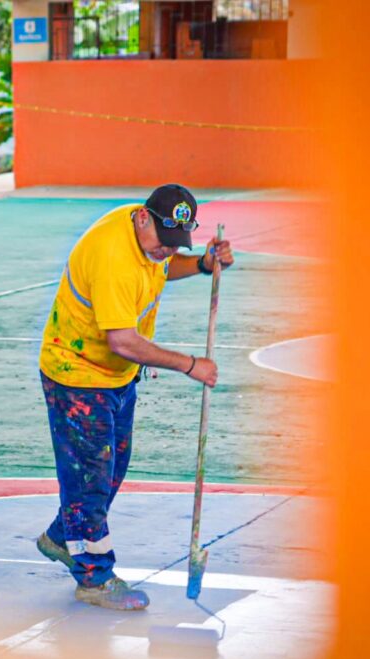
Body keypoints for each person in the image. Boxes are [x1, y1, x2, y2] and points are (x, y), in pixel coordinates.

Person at [35, 184, 234, 610]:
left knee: (111, 469)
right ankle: (94, 578)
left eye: (177, 243)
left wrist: (202, 264)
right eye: (164, 241)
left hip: (116, 377)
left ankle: (62, 537)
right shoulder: (114, 257)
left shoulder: (146, 236)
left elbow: (162, 266)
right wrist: (190, 364)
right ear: (143, 217)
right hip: (77, 375)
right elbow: (123, 341)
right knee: (90, 479)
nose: (168, 250)